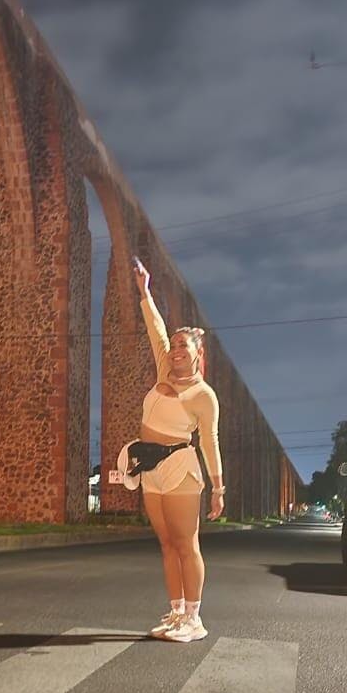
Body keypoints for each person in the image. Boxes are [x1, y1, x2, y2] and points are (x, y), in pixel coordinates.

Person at [128, 259, 225, 641]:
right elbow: (155, 329)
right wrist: (144, 290)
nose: (176, 350)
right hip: (149, 465)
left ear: (198, 354)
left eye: (184, 345)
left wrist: (218, 488)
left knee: (186, 543)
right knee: (167, 543)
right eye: (175, 345)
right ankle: (176, 612)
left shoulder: (204, 395)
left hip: (180, 468)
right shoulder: (162, 369)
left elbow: (210, 441)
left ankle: (194, 619)